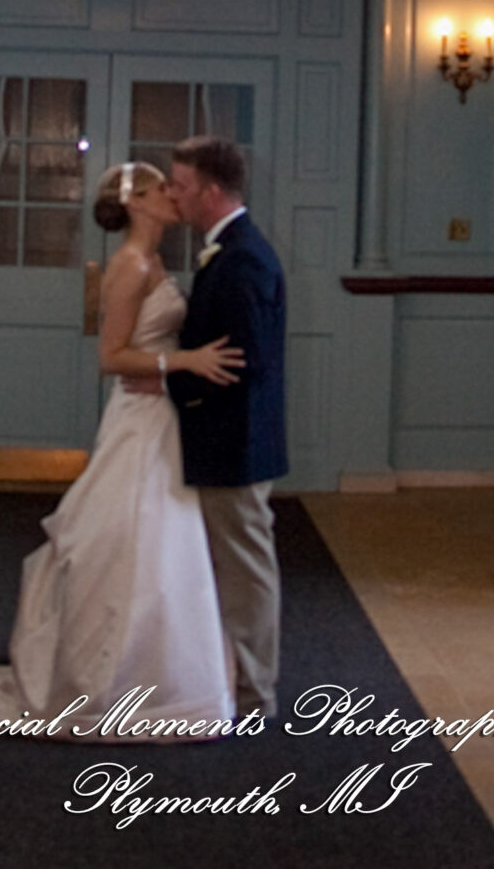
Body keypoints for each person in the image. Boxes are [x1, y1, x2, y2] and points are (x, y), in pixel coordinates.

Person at [0, 160, 244, 733]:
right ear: (136, 202)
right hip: (138, 420)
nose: (172, 195)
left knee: (164, 540)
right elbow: (111, 358)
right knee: (127, 536)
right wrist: (184, 362)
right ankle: (105, 680)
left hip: (161, 414)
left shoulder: (155, 260)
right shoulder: (131, 265)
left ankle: (159, 674)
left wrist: (172, 369)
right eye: (162, 189)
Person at [165, 135, 287, 721]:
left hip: (233, 441)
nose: (174, 197)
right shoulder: (227, 249)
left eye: (182, 186)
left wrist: (175, 385)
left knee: (245, 572)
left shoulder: (242, 258)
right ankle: (231, 677)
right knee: (231, 567)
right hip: (224, 438)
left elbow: (246, 363)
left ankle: (255, 694)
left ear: (212, 191)